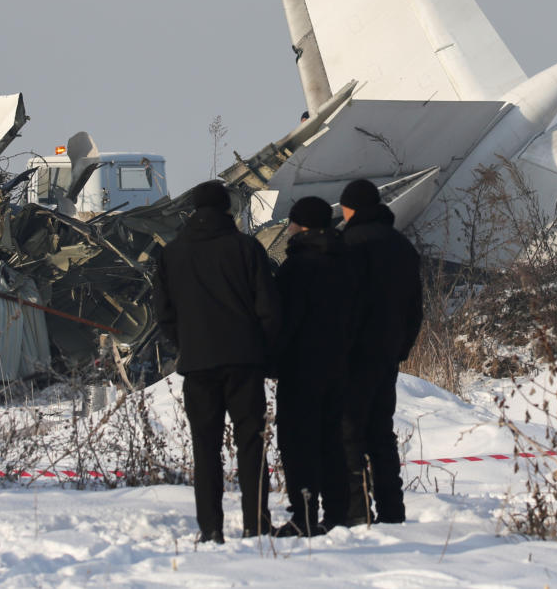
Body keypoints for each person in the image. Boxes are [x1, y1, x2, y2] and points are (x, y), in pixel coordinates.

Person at [152, 180, 281, 543]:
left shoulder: (172, 253)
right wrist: (264, 352)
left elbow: (163, 314)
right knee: (252, 443)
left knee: (205, 448)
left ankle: (210, 528)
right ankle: (256, 523)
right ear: (227, 208)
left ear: (193, 210)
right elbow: (268, 309)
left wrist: (188, 343)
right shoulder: (246, 248)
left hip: (198, 365)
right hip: (243, 362)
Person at [338, 179, 423, 525]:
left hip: (352, 355)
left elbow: (340, 306)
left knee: (349, 433)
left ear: (351, 208)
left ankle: (358, 512)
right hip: (386, 355)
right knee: (381, 435)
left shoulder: (347, 245)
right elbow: (414, 308)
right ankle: (393, 510)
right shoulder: (403, 247)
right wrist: (400, 348)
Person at [271, 196, 354, 536]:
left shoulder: (296, 268)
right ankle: (338, 513)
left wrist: (273, 359)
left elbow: (284, 321)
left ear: (300, 225)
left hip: (301, 367)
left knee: (298, 442)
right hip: (341, 365)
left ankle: (303, 514)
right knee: (332, 440)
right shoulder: (348, 263)